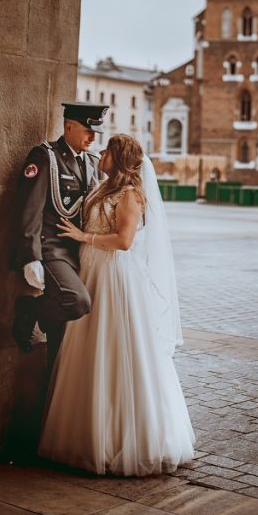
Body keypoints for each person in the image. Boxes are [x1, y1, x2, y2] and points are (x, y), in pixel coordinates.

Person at [38, 133, 195, 476]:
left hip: (115, 279)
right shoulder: (102, 186)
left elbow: (124, 241)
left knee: (117, 350)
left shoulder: (129, 195)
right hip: (92, 272)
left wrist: (84, 237)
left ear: (118, 158)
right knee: (91, 352)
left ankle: (126, 440)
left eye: (107, 150)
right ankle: (90, 435)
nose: (101, 153)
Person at [12, 101, 108, 371]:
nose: (92, 138)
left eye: (96, 134)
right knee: (77, 302)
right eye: (88, 131)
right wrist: (31, 256)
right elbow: (29, 209)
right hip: (52, 249)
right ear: (68, 126)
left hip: (81, 251)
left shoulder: (92, 162)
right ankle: (29, 310)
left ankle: (51, 402)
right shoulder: (45, 157)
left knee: (61, 344)